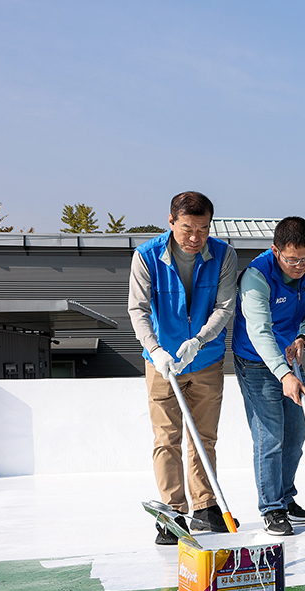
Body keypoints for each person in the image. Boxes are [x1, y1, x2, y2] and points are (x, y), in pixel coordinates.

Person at [129, 191, 238, 545]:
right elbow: (138, 310)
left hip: (206, 360)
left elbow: (224, 307)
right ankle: (172, 512)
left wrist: (199, 341)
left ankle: (206, 507)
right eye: (188, 228)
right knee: (167, 439)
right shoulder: (147, 256)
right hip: (162, 364)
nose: (195, 238)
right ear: (171, 222)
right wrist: (156, 350)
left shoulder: (223, 255)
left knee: (204, 437)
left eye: (203, 229)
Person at [232, 217, 305, 536]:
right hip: (256, 360)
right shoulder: (256, 276)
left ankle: (286, 498)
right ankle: (271, 508)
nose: (300, 265)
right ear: (276, 251)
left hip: (289, 354)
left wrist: (304, 337)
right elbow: (259, 331)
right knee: (270, 435)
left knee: (297, 431)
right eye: (292, 259)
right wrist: (284, 374)